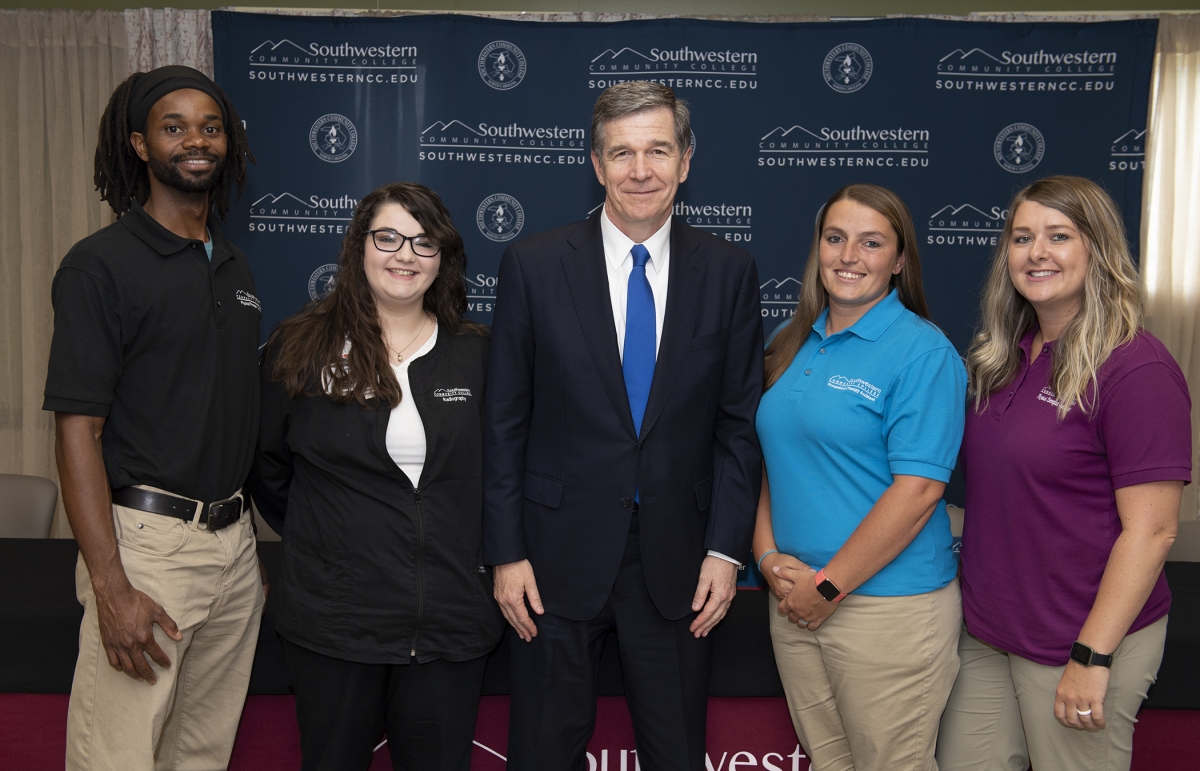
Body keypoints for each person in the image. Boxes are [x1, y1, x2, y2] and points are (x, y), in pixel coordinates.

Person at [483, 81, 763, 770]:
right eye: (623, 152)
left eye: (658, 150)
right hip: (550, 558)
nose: (641, 170)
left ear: (687, 160)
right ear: (597, 162)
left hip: (678, 565)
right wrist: (505, 551)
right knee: (543, 751)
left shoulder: (729, 271)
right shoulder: (534, 264)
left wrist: (727, 552)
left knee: (676, 754)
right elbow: (504, 420)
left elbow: (738, 425)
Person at [43, 66, 265, 771]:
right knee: (118, 755)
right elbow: (79, 429)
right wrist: (111, 586)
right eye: (174, 127)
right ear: (139, 145)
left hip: (235, 546)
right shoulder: (99, 266)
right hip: (146, 548)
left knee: (199, 755)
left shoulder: (234, 267)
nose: (196, 140)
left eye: (210, 126)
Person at [937, 176, 1190, 771]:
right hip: (990, 633)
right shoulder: (1002, 359)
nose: (1036, 252)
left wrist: (1091, 657)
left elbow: (1153, 532)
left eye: (1059, 236)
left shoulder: (1136, 368)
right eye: (1022, 238)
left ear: (1097, 249)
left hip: (1081, 639)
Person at [248, 182, 503, 771]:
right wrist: (335, 537)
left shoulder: (481, 354)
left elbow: (498, 474)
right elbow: (269, 468)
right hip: (334, 623)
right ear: (359, 247)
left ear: (444, 257)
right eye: (387, 237)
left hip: (447, 624)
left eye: (423, 241)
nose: (404, 255)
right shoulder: (301, 346)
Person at [753, 184, 967, 771]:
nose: (849, 256)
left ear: (899, 261)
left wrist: (828, 589)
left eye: (871, 243)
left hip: (886, 610)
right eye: (835, 238)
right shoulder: (787, 342)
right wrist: (767, 556)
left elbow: (919, 491)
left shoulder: (923, 353)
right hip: (794, 599)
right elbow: (768, 463)